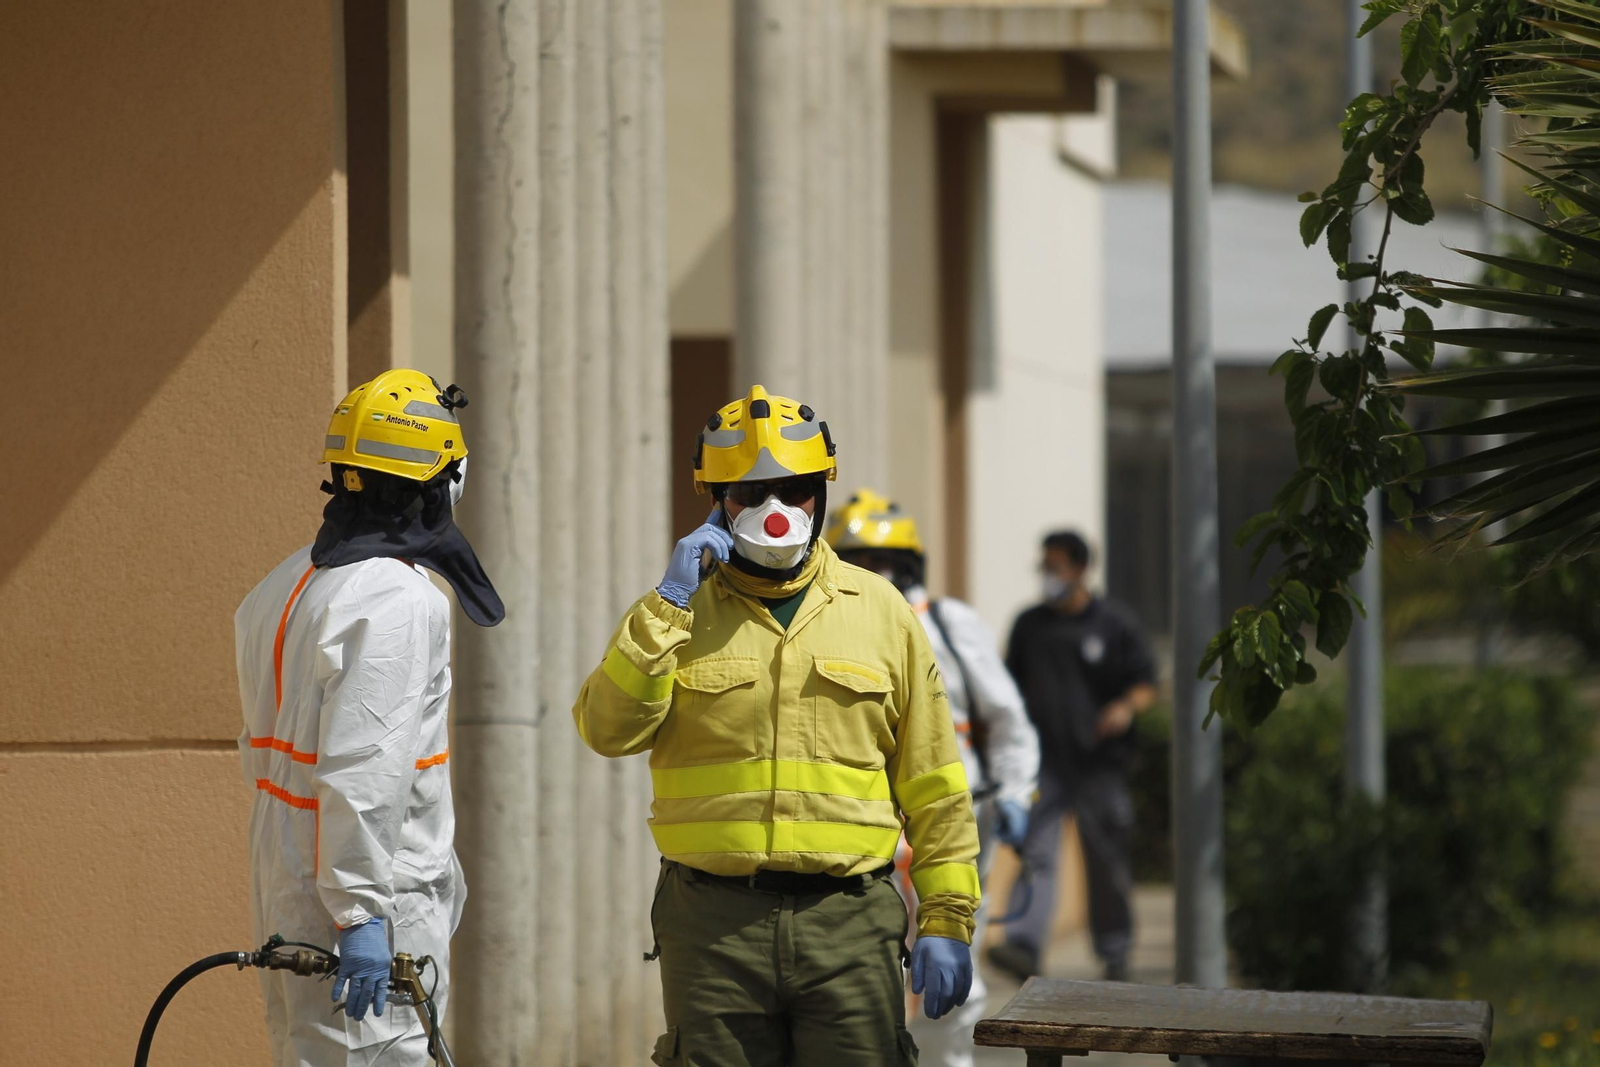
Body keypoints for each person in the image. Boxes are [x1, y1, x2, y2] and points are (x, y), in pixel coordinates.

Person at [573, 386, 981, 1066]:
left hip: (848, 926)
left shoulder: (881, 612)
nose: (775, 512)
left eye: (794, 490)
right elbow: (606, 728)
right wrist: (669, 603)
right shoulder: (674, 610)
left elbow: (934, 782)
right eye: (750, 493)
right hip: (712, 928)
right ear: (714, 499)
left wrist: (947, 917)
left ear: (822, 493)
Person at [236, 369, 504, 1066]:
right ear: (436, 480)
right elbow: (365, 765)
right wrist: (360, 913)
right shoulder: (394, 598)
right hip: (366, 899)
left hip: (290, 878)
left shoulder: (287, 583)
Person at [826, 489, 1039, 1067]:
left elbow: (1009, 720)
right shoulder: (824, 626)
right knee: (863, 977)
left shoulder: (947, 623)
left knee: (952, 975)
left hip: (951, 825)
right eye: (859, 560)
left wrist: (1016, 794)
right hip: (864, 834)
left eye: (885, 561)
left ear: (910, 565)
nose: (873, 573)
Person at [989, 531, 1155, 984]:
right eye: (1043, 566)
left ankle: (1115, 952)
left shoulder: (1113, 624)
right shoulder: (1029, 625)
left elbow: (1145, 683)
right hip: (1045, 763)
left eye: (1055, 566)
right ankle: (1024, 947)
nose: (1047, 575)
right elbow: (1007, 688)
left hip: (1100, 766)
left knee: (1105, 860)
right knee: (1037, 853)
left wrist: (1124, 707)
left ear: (1081, 570)